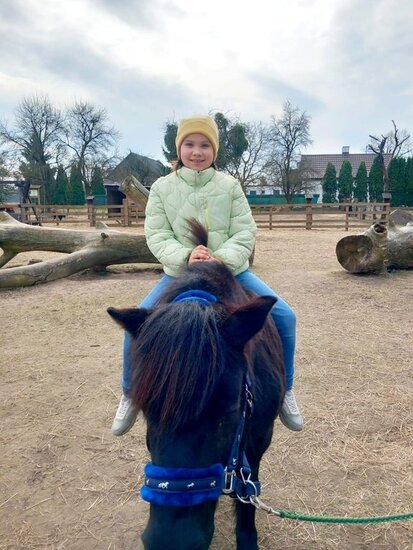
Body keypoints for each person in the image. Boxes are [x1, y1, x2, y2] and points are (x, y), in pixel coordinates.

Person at [112, 115, 303, 436]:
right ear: (179, 149)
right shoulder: (162, 188)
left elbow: (244, 231)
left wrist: (221, 259)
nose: (197, 152)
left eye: (204, 145)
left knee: (285, 317)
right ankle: (130, 393)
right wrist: (185, 256)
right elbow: (157, 234)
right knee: (137, 327)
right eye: (189, 144)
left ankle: (286, 389)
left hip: (231, 272)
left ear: (214, 150)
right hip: (180, 274)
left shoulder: (230, 186)